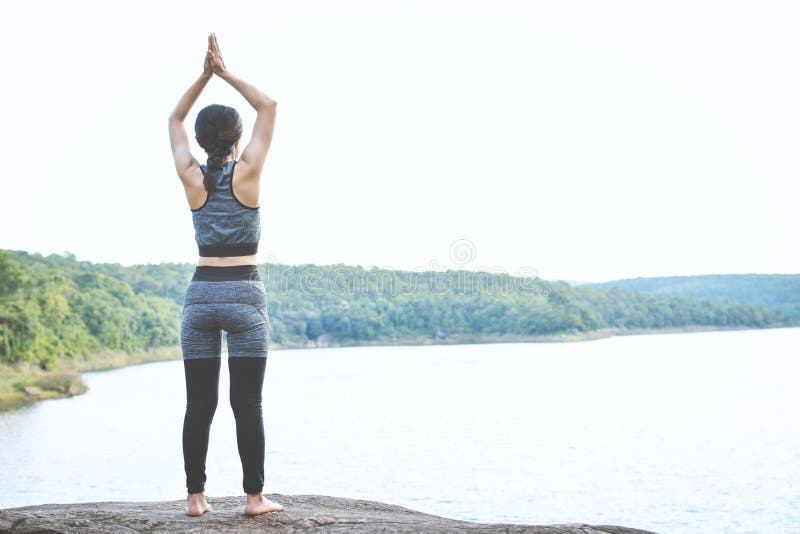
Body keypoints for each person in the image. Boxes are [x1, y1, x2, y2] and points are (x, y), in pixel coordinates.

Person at [168, 33, 283, 518]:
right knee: (247, 404)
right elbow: (268, 104)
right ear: (238, 138)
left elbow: (173, 118)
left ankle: (196, 498)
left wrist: (203, 75)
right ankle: (254, 499)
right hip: (244, 297)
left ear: (201, 140)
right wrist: (226, 72)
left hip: (200, 296)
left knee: (199, 406)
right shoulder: (249, 173)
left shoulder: (191, 176)